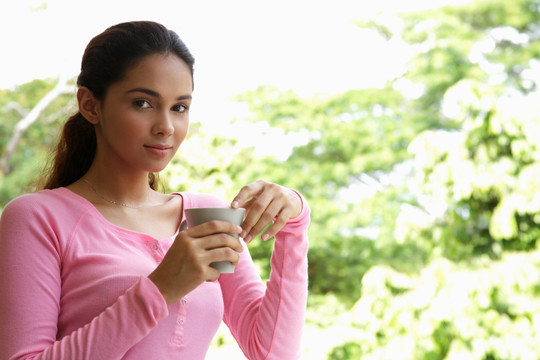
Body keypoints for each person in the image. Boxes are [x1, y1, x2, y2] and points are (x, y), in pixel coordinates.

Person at [0, 21, 310, 360]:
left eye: (179, 107)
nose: (166, 127)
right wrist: (160, 289)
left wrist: (293, 223)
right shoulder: (36, 218)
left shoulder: (205, 215)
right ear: (90, 105)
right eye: (143, 104)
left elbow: (272, 353)